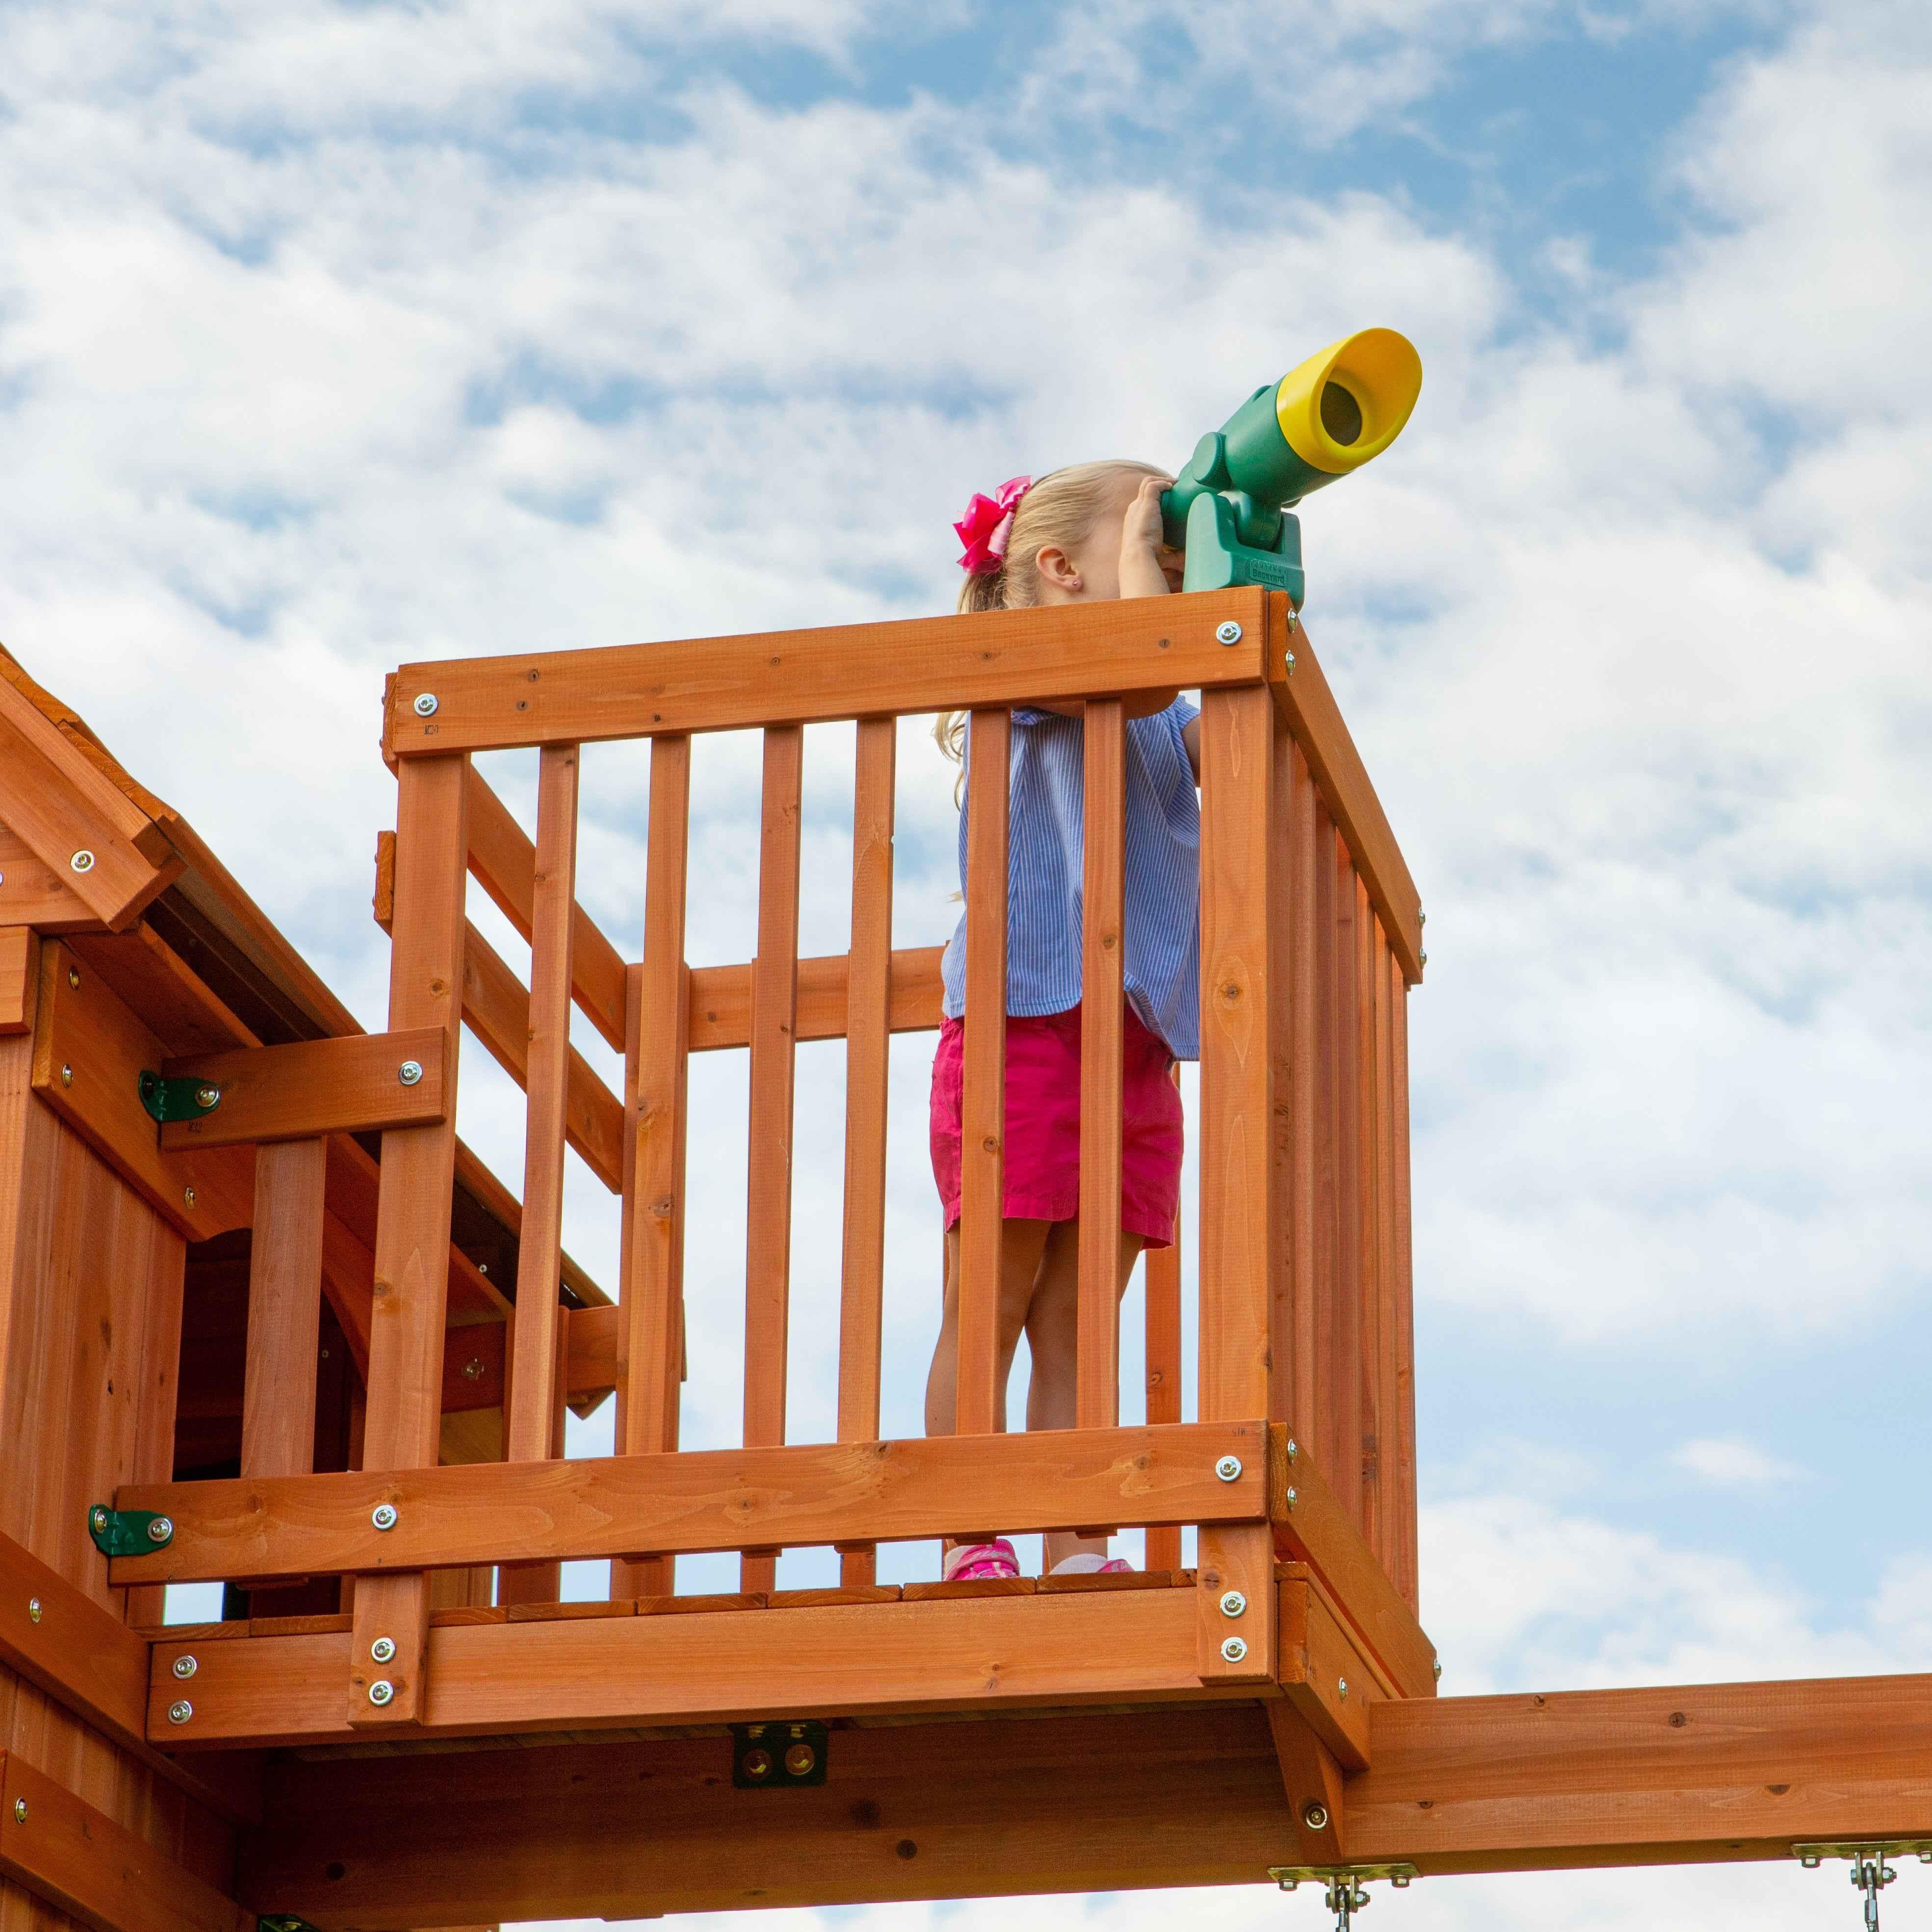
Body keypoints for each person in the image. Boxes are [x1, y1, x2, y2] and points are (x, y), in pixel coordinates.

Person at [924, 461, 1203, 1581]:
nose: (1169, 565)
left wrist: (1249, 581)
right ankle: (969, 1530)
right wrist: (1145, 568)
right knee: (991, 1298)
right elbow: (1136, 673)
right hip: (1022, 1026)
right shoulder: (1030, 667)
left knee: (1082, 1318)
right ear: (1061, 570)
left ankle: (1077, 1540)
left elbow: (1234, 726)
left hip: (1131, 1039)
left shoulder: (1164, 695)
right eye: (1150, 542)